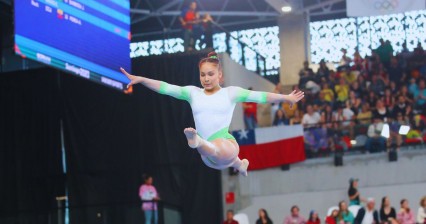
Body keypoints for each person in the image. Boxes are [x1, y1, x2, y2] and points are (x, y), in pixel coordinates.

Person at [120, 52, 304, 176]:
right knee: (212, 149)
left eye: (210, 74)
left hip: (225, 144)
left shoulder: (231, 93)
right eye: (202, 75)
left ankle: (219, 153)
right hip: (208, 158)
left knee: (217, 146)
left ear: (219, 75)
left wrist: (286, 98)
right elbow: (166, 88)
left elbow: (261, 96)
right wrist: (142, 79)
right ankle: (237, 163)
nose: (206, 79)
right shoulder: (193, 93)